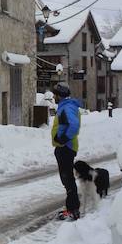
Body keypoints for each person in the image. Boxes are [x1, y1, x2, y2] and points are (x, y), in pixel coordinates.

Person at [51, 83, 81, 221]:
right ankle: (72, 208)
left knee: (68, 179)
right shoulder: (65, 106)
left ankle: (73, 210)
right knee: (67, 179)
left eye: (55, 94)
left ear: (59, 95)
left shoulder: (67, 107)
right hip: (65, 147)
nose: (53, 97)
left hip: (66, 148)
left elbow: (74, 125)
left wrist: (63, 139)